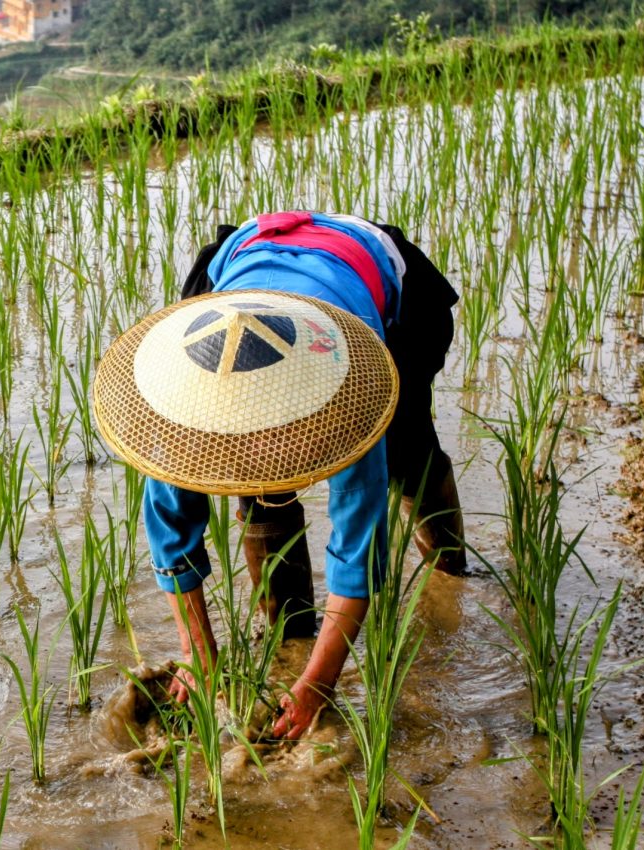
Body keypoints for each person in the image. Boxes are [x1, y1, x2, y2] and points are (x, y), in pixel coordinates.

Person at [139, 210, 466, 739]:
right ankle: (289, 633)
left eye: (272, 434)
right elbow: (170, 531)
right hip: (245, 267)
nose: (260, 450)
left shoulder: (349, 394)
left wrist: (318, 683)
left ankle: (451, 568)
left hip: (372, 277)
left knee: (408, 453)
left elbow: (359, 548)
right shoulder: (188, 414)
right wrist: (198, 653)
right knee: (260, 489)